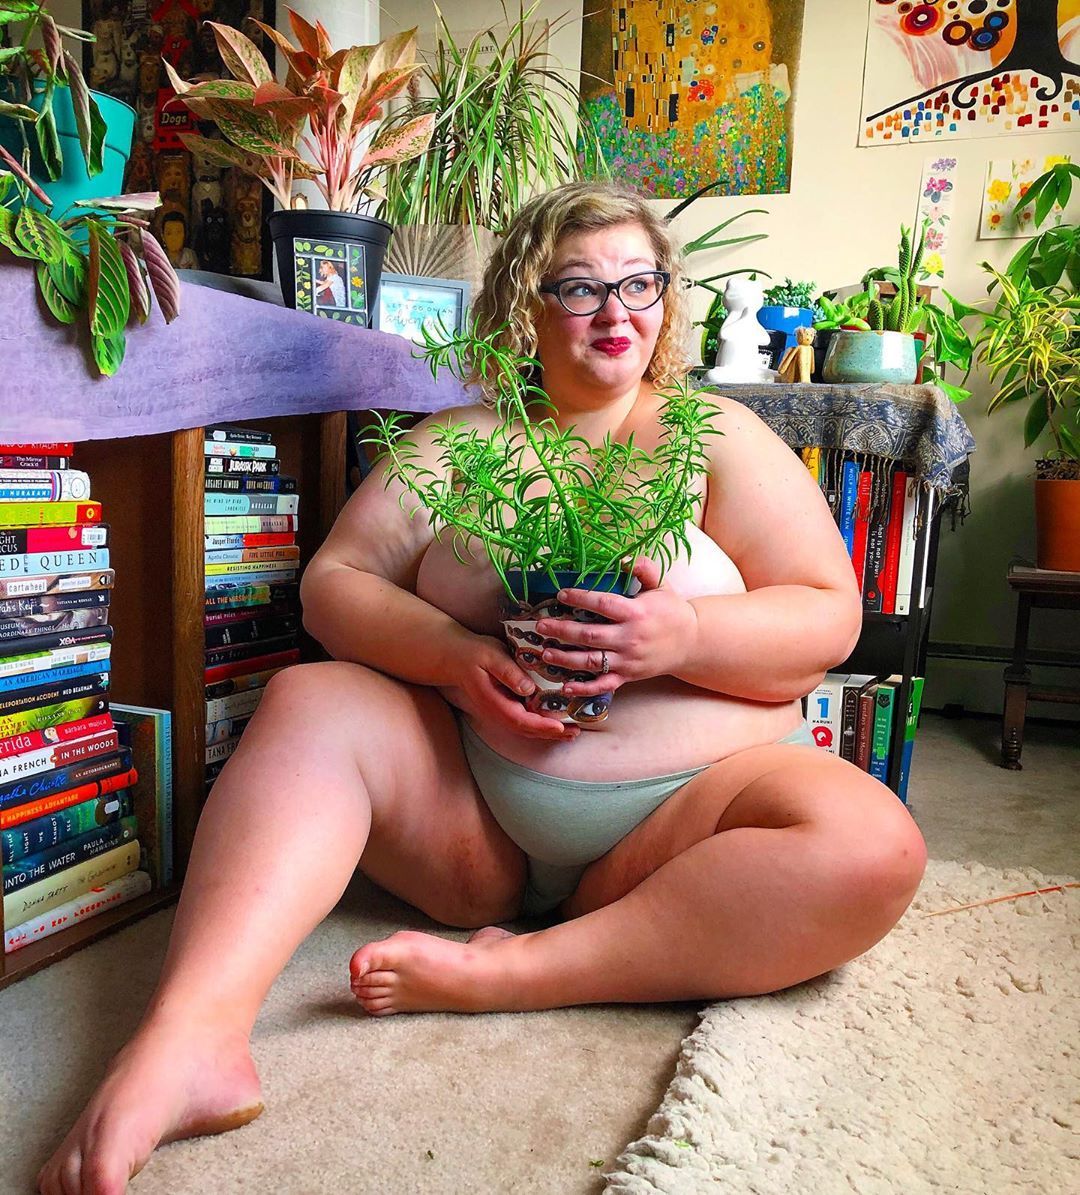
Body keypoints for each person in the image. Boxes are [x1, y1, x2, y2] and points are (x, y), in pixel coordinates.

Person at [37, 182, 927, 1193]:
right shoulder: (458, 442)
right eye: (580, 287)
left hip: (690, 817)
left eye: (639, 283)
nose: (616, 311)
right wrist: (456, 657)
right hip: (474, 822)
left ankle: (525, 971)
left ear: (666, 298)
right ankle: (192, 1035)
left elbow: (828, 615)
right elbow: (335, 585)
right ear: (522, 306)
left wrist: (681, 635)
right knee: (308, 701)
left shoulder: (713, 432)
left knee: (874, 844)